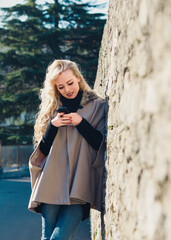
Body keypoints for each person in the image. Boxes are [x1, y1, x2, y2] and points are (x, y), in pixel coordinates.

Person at [28, 59, 106, 240]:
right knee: (47, 238)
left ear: (78, 78)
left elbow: (100, 144)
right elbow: (42, 153)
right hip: (51, 186)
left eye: (70, 83)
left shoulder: (97, 106)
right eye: (61, 87)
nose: (67, 89)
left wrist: (81, 123)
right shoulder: (52, 110)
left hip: (79, 188)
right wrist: (52, 126)